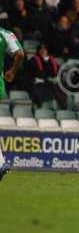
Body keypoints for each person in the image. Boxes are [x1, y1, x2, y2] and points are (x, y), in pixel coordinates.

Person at [0, 27, 24, 181]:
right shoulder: (5, 33)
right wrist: (13, 71)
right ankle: (1, 163)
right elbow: (20, 54)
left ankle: (1, 163)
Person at [26, 44, 67, 109]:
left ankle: (63, 107)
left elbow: (58, 71)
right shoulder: (33, 60)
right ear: (38, 51)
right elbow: (34, 72)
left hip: (51, 82)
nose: (43, 51)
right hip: (39, 82)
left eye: (44, 49)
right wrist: (46, 78)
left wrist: (56, 78)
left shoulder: (52, 60)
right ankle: (40, 107)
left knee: (61, 88)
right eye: (41, 49)